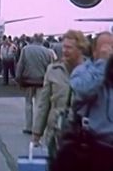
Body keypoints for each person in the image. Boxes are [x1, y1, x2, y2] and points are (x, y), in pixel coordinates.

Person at [31, 30, 88, 160]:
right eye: (64, 47)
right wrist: (36, 133)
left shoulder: (91, 72)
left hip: (83, 136)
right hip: (56, 133)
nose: (64, 51)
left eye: (69, 48)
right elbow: (44, 104)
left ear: (80, 49)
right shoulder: (53, 70)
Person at [66, 31, 113, 171]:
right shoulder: (83, 71)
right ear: (94, 51)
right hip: (94, 146)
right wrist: (103, 64)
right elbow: (84, 90)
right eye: (105, 48)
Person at [16, 33, 54, 134]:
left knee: (28, 104)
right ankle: (38, 126)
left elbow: (21, 64)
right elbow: (50, 67)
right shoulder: (47, 52)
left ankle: (28, 126)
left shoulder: (25, 50)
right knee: (39, 105)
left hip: (28, 80)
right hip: (41, 81)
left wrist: (18, 78)